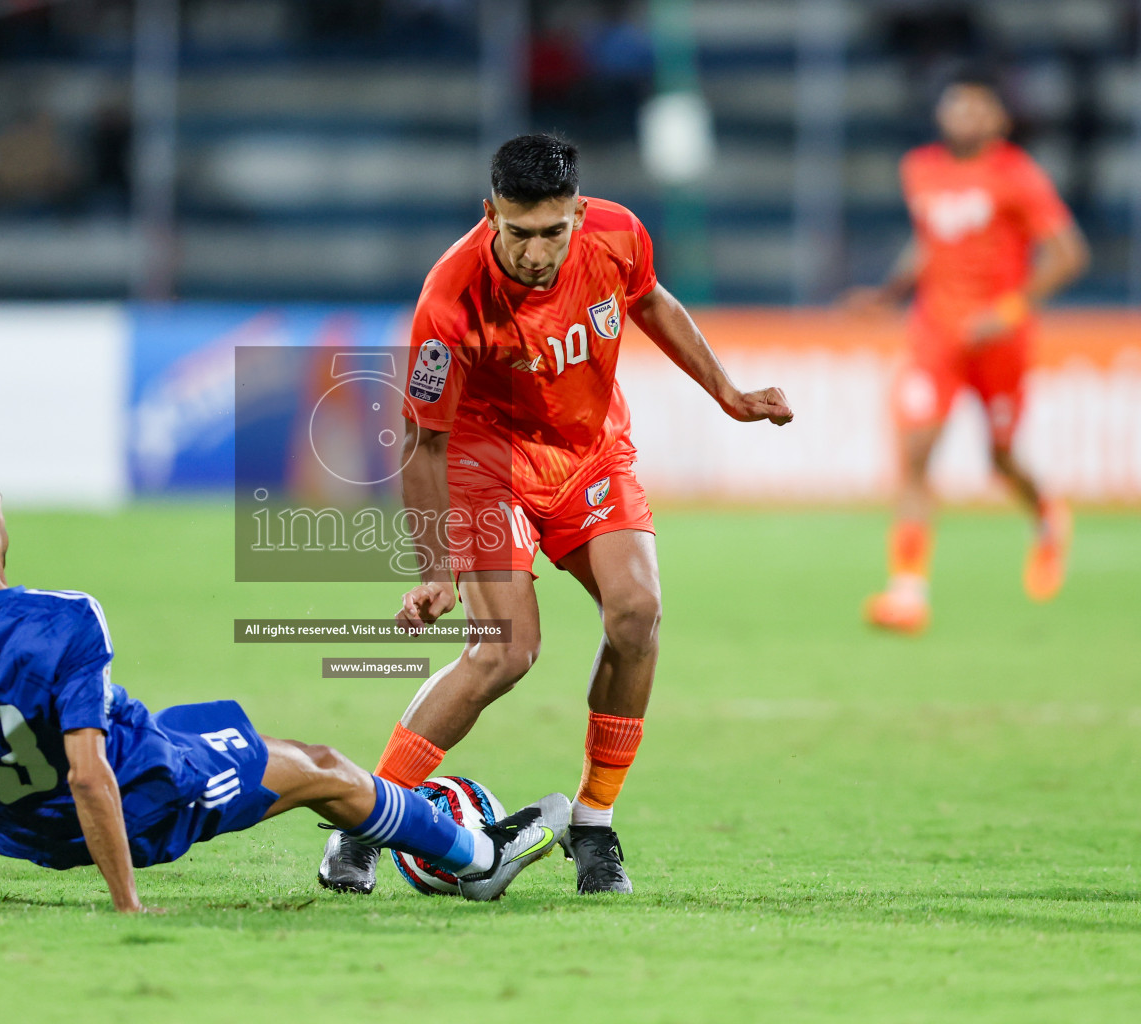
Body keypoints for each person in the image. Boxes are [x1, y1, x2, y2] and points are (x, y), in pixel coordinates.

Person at [316, 134, 793, 897]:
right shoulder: (450, 298)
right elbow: (424, 444)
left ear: (576, 211)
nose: (536, 252)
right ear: (490, 215)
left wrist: (729, 394)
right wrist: (433, 570)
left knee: (637, 616)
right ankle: (365, 821)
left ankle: (594, 825)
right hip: (487, 465)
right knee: (504, 653)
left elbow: (652, 302)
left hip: (589, 457)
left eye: (552, 232)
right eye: (518, 233)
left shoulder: (619, 234)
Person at [0, 457, 567, 913]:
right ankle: (477, 861)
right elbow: (89, 777)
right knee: (323, 766)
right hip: (144, 792)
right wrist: (127, 904)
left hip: (24, 830)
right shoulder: (65, 619)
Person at [848, 68, 1089, 633]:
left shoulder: (1018, 176)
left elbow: (1069, 255)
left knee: (1000, 457)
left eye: (978, 109)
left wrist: (1005, 311)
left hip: (999, 341)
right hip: (935, 333)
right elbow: (931, 243)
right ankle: (907, 592)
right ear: (941, 114)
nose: (965, 117)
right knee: (916, 453)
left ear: (999, 120)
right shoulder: (921, 169)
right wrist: (888, 295)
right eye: (957, 107)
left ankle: (1049, 516)